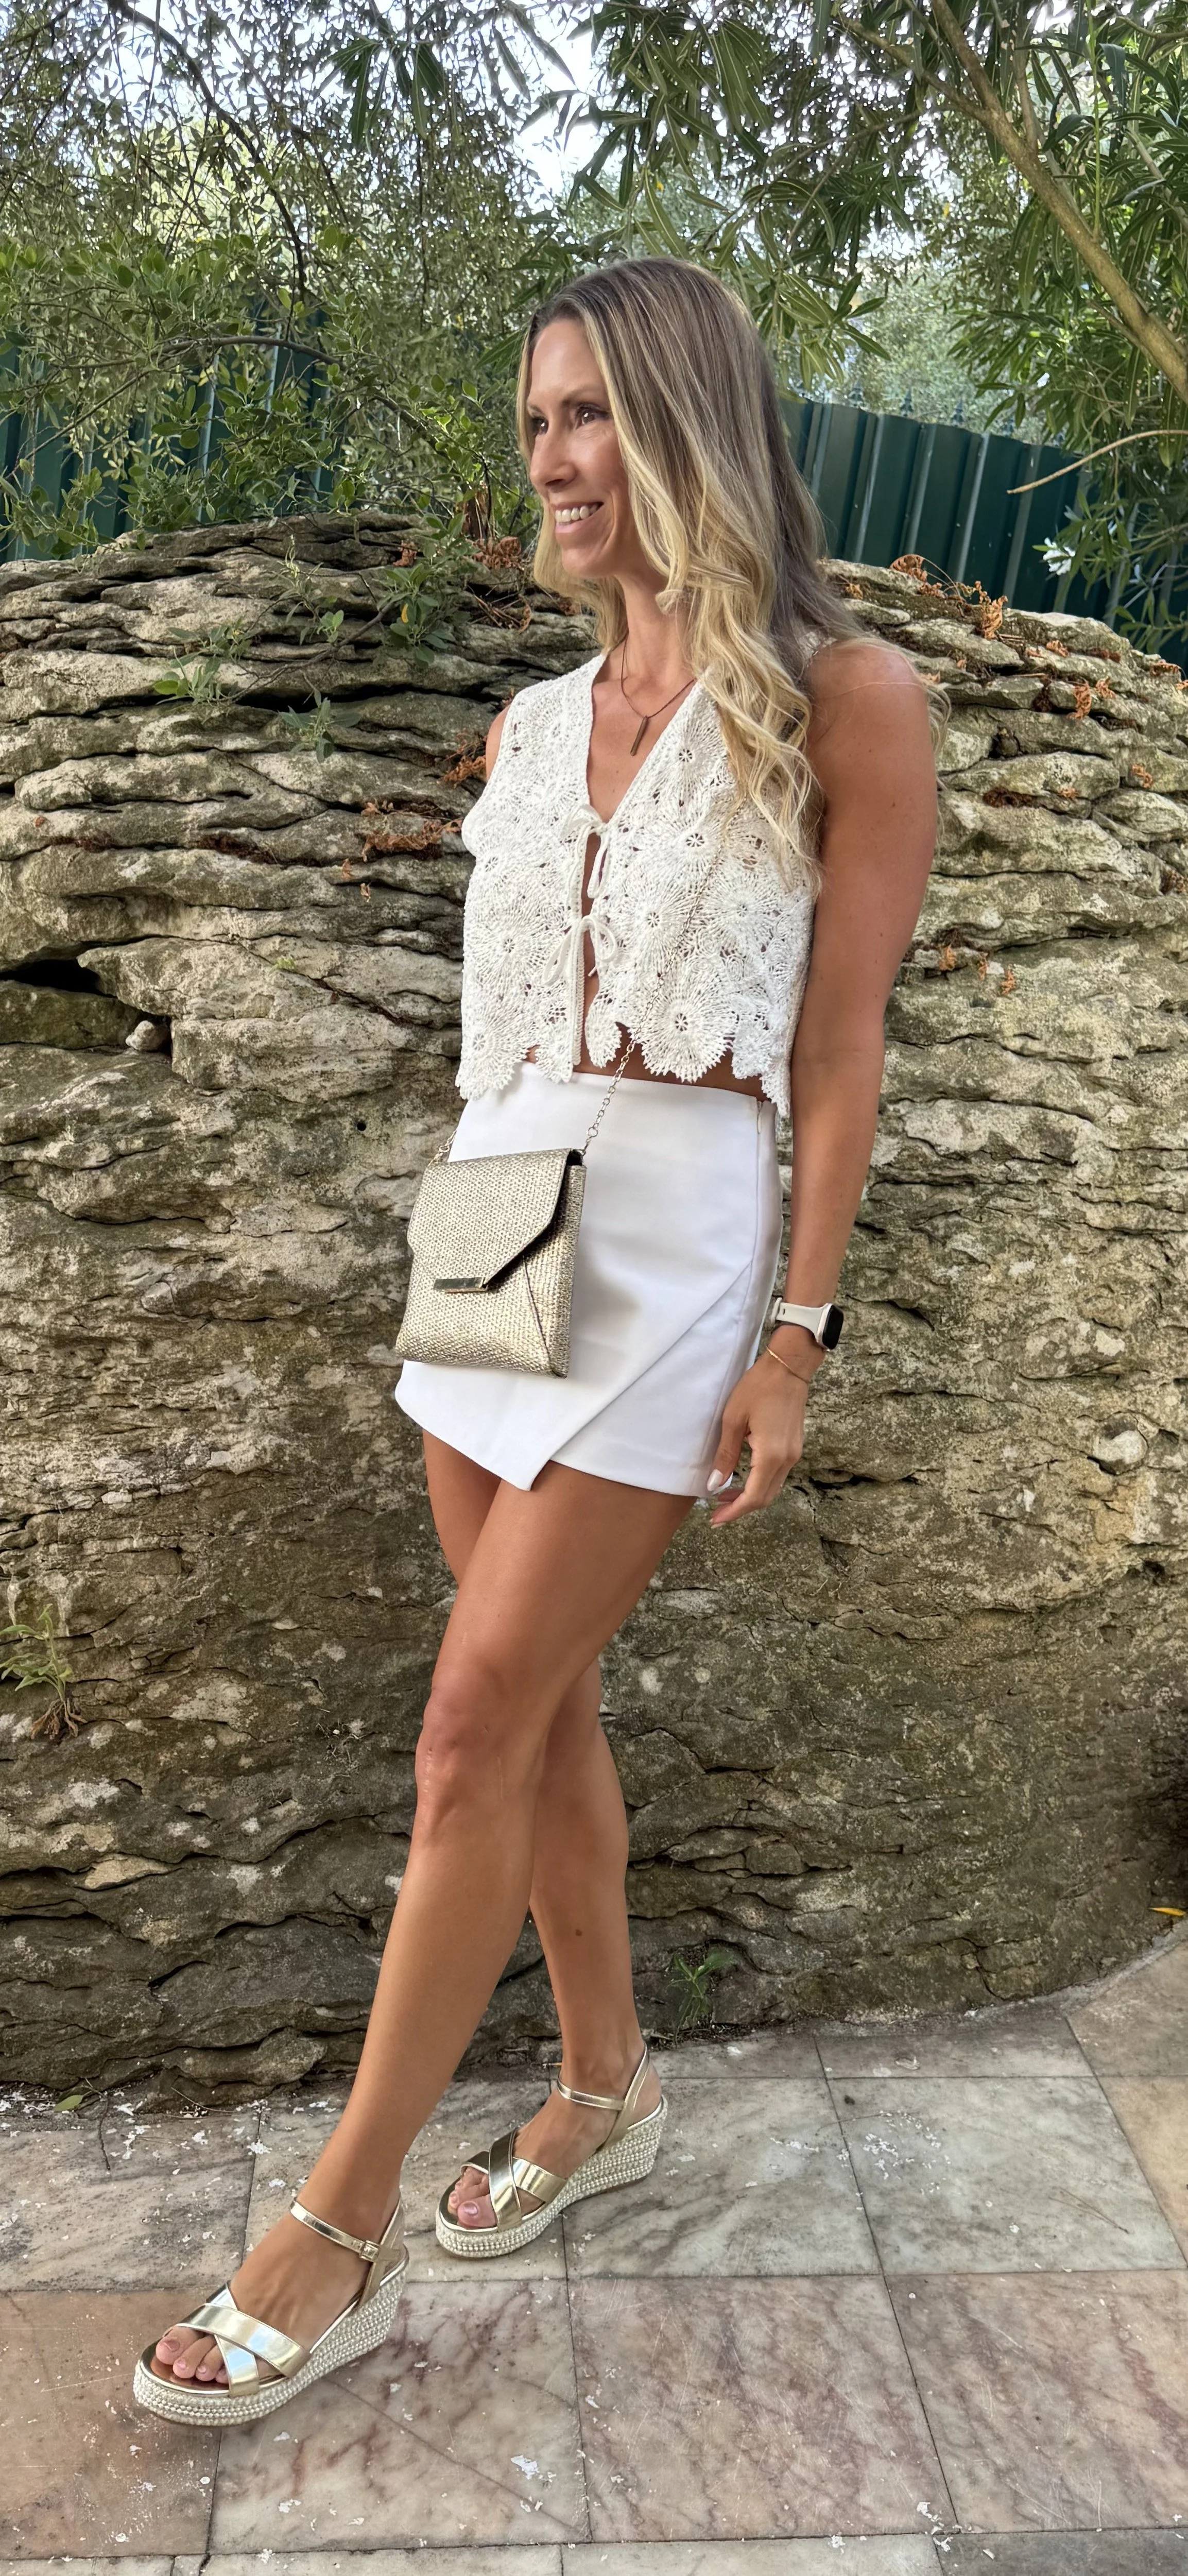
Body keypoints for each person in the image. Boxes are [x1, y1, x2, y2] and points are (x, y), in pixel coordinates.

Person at [134, 254, 937, 2421]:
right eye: (533, 428)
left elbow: (842, 1056)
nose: (555, 461)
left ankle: (340, 2219)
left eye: (586, 414)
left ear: (680, 413)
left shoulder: (845, 699)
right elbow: (518, 1036)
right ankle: (602, 2083)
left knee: (465, 1719)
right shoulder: (525, 724)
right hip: (492, 1212)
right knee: (540, 1698)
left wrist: (797, 1334)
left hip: (680, 1240)